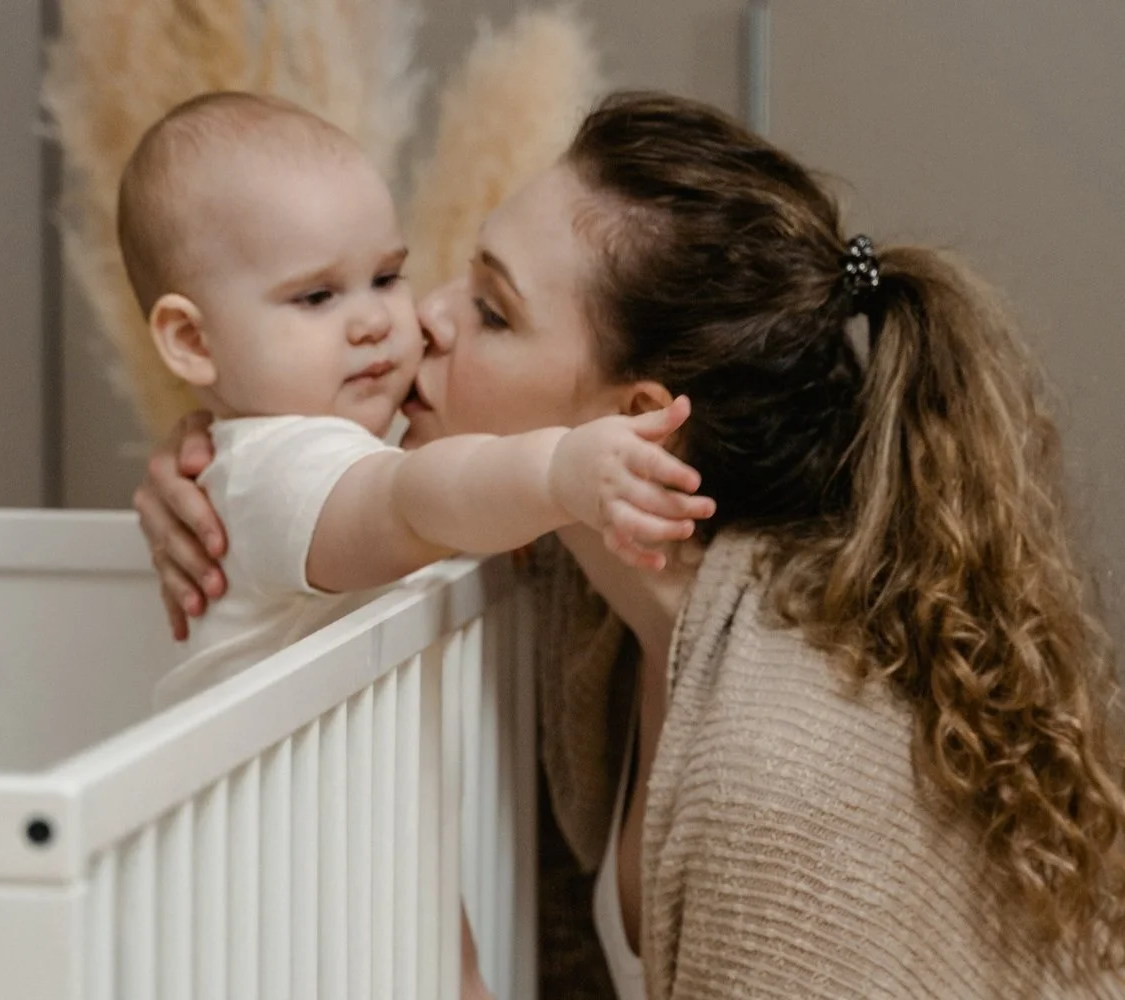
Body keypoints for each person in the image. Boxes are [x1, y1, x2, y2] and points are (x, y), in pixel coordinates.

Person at [135, 91, 1125, 998]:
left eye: (491, 310)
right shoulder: (587, 589)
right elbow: (377, 494)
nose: (422, 320)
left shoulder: (781, 764)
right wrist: (224, 440)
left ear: (636, 423)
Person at [118, 92, 713, 705]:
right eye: (317, 297)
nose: (378, 320)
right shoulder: (271, 473)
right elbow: (409, 499)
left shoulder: (356, 444)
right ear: (192, 340)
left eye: (384, 278)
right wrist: (556, 471)